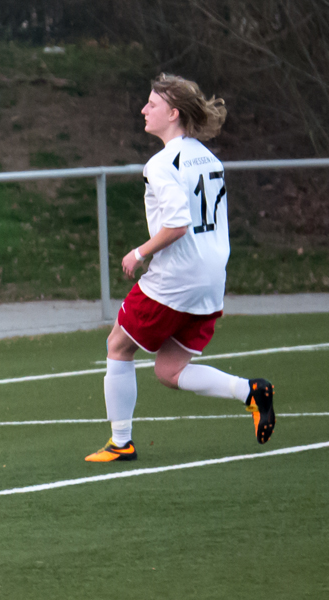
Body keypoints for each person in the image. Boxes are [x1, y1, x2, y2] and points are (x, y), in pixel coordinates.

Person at [85, 73, 275, 463]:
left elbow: (177, 224)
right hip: (211, 277)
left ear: (173, 113)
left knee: (118, 346)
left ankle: (121, 442)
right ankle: (250, 391)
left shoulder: (161, 163)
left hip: (177, 276)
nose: (143, 109)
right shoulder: (208, 156)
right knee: (170, 370)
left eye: (151, 104)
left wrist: (138, 254)